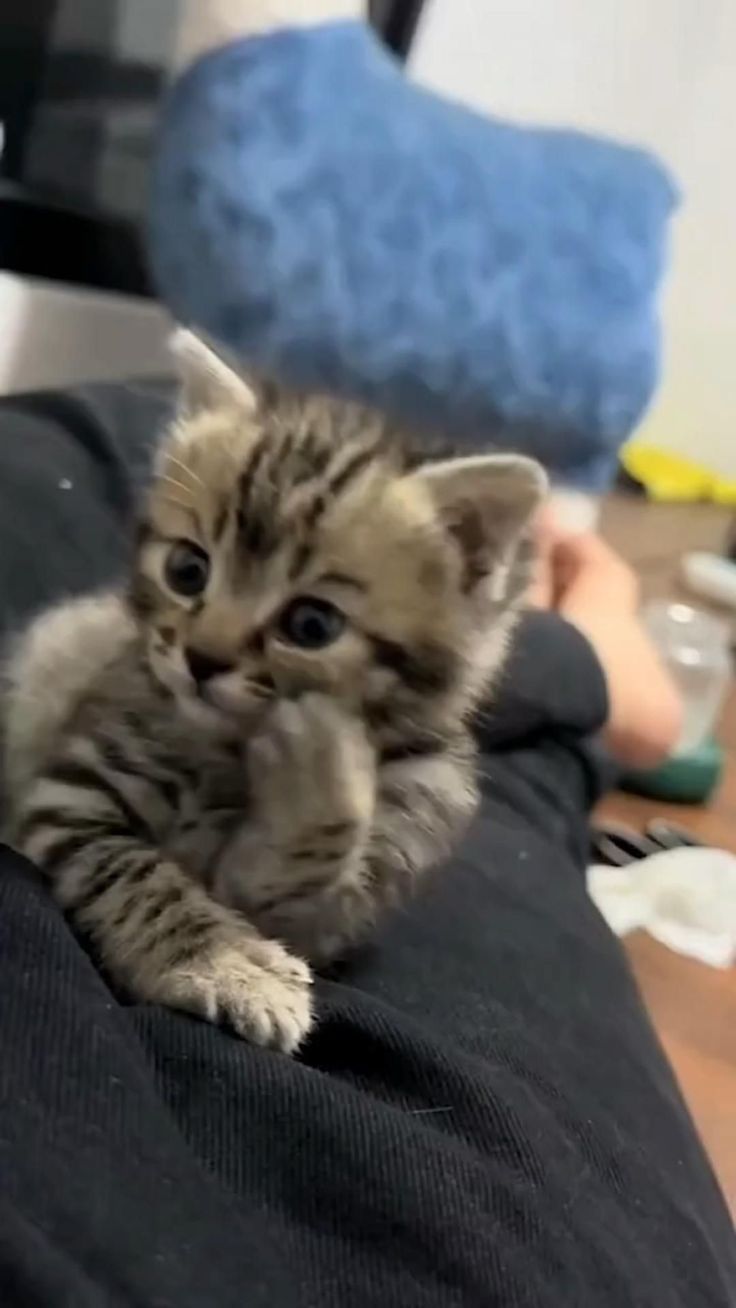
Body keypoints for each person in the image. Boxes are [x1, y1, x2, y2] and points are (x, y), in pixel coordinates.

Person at [0, 381, 733, 1307]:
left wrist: (305, 863)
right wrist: (190, 936)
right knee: (535, 778)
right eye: (190, 574)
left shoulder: (422, 789)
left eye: (308, 624)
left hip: (417, 696)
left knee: (55, 451)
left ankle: (579, 648)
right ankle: (593, 659)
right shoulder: (149, 681)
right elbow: (67, 811)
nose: (208, 647)